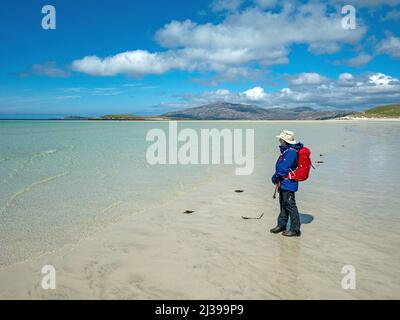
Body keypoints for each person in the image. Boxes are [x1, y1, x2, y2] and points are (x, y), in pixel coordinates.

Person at [270, 130, 303, 237]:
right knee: (283, 204)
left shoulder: (291, 152)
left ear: (284, 141)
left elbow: (284, 168)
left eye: (280, 139)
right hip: (284, 182)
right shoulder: (287, 151)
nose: (279, 140)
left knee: (290, 205)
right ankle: (282, 225)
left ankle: (295, 229)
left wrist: (275, 177)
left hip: (288, 183)